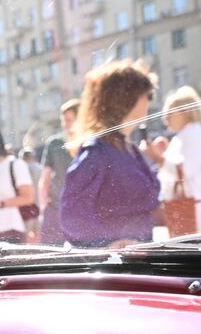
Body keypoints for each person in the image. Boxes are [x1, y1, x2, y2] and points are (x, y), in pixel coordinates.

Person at [59, 60, 160, 247]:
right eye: (147, 95)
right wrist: (107, 245)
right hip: (115, 267)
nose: (148, 101)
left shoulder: (128, 148)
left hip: (137, 260)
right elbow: (72, 216)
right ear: (126, 98)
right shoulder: (97, 151)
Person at [146, 85, 201, 233]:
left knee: (196, 254)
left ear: (185, 112)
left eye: (169, 113)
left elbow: (184, 171)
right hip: (190, 208)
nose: (165, 118)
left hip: (195, 211)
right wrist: (163, 154)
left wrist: (157, 156)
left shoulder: (194, 134)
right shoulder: (187, 134)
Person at [37, 99, 80, 246]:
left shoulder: (91, 143)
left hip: (82, 211)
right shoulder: (54, 143)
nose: (64, 124)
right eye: (63, 120)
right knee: (50, 255)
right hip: (55, 208)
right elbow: (45, 178)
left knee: (86, 255)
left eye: (69, 120)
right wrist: (44, 208)